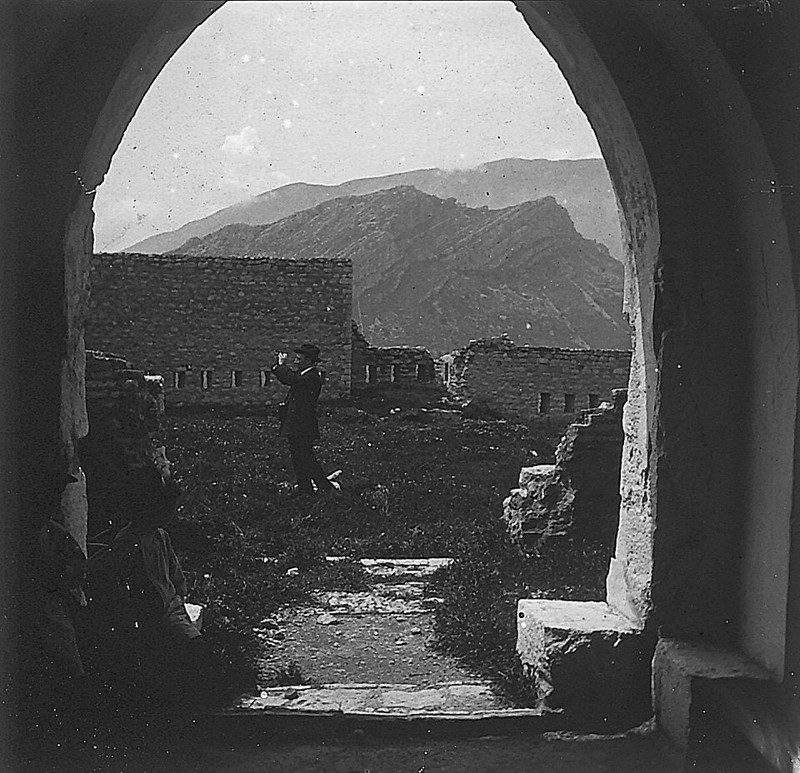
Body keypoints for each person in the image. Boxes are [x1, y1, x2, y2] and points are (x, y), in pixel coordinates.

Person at [91, 465, 202, 700]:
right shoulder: (127, 542)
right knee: (174, 658)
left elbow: (175, 575)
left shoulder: (160, 536)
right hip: (146, 616)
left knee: (195, 650)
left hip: (171, 610)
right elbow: (115, 579)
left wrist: (178, 598)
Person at [272, 343, 340, 495]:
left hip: (302, 426)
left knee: (305, 458)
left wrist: (280, 366)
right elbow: (292, 379)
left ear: (309, 361)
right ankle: (307, 489)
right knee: (300, 458)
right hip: (298, 425)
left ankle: (322, 487)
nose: (295, 362)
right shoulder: (305, 375)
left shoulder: (310, 377)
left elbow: (290, 379)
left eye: (298, 359)